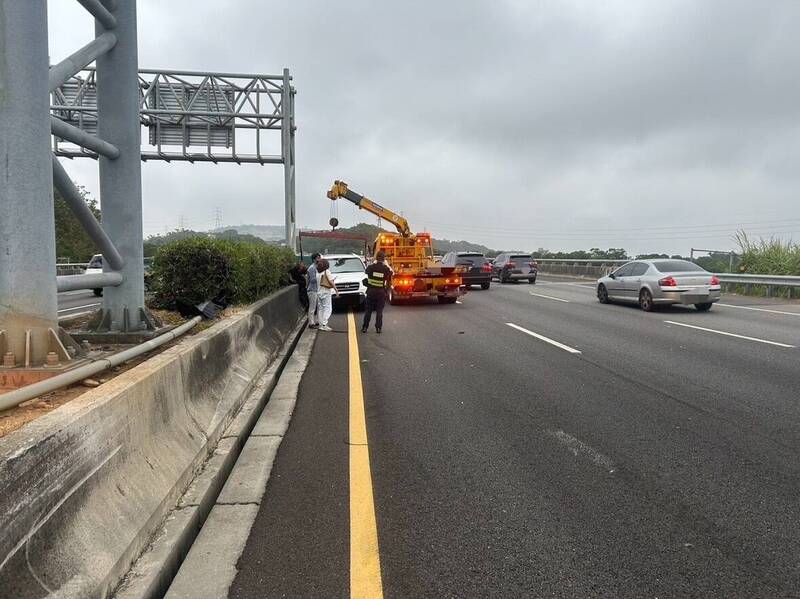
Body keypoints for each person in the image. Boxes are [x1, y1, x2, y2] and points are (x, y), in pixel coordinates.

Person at [362, 250, 392, 333]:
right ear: (383, 259)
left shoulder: (371, 267)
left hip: (371, 291)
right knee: (379, 311)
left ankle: (365, 327)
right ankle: (378, 328)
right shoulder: (385, 269)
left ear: (376, 258)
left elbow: (366, 271)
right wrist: (386, 291)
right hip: (381, 292)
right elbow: (390, 277)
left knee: (368, 310)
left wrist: (373, 263)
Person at [315, 258, 339, 331]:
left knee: (321, 309)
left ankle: (321, 325)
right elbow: (331, 282)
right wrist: (336, 290)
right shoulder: (326, 272)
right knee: (328, 309)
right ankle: (325, 324)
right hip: (326, 292)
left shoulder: (318, 273)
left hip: (319, 293)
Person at [306, 253, 322, 328]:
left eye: (319, 258)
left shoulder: (318, 267)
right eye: (317, 258)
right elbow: (312, 280)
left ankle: (318, 321)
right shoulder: (312, 268)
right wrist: (321, 278)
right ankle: (311, 323)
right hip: (312, 290)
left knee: (319, 306)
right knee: (312, 307)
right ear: (314, 259)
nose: (319, 259)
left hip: (317, 289)